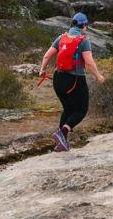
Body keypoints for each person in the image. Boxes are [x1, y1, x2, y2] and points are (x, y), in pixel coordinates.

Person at [37, 11, 106, 151]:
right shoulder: (83, 41)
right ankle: (62, 134)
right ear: (83, 26)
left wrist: (42, 70)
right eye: (86, 26)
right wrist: (98, 76)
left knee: (68, 109)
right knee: (81, 109)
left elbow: (47, 56)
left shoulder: (61, 37)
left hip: (58, 78)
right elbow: (89, 62)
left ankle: (60, 143)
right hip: (74, 79)